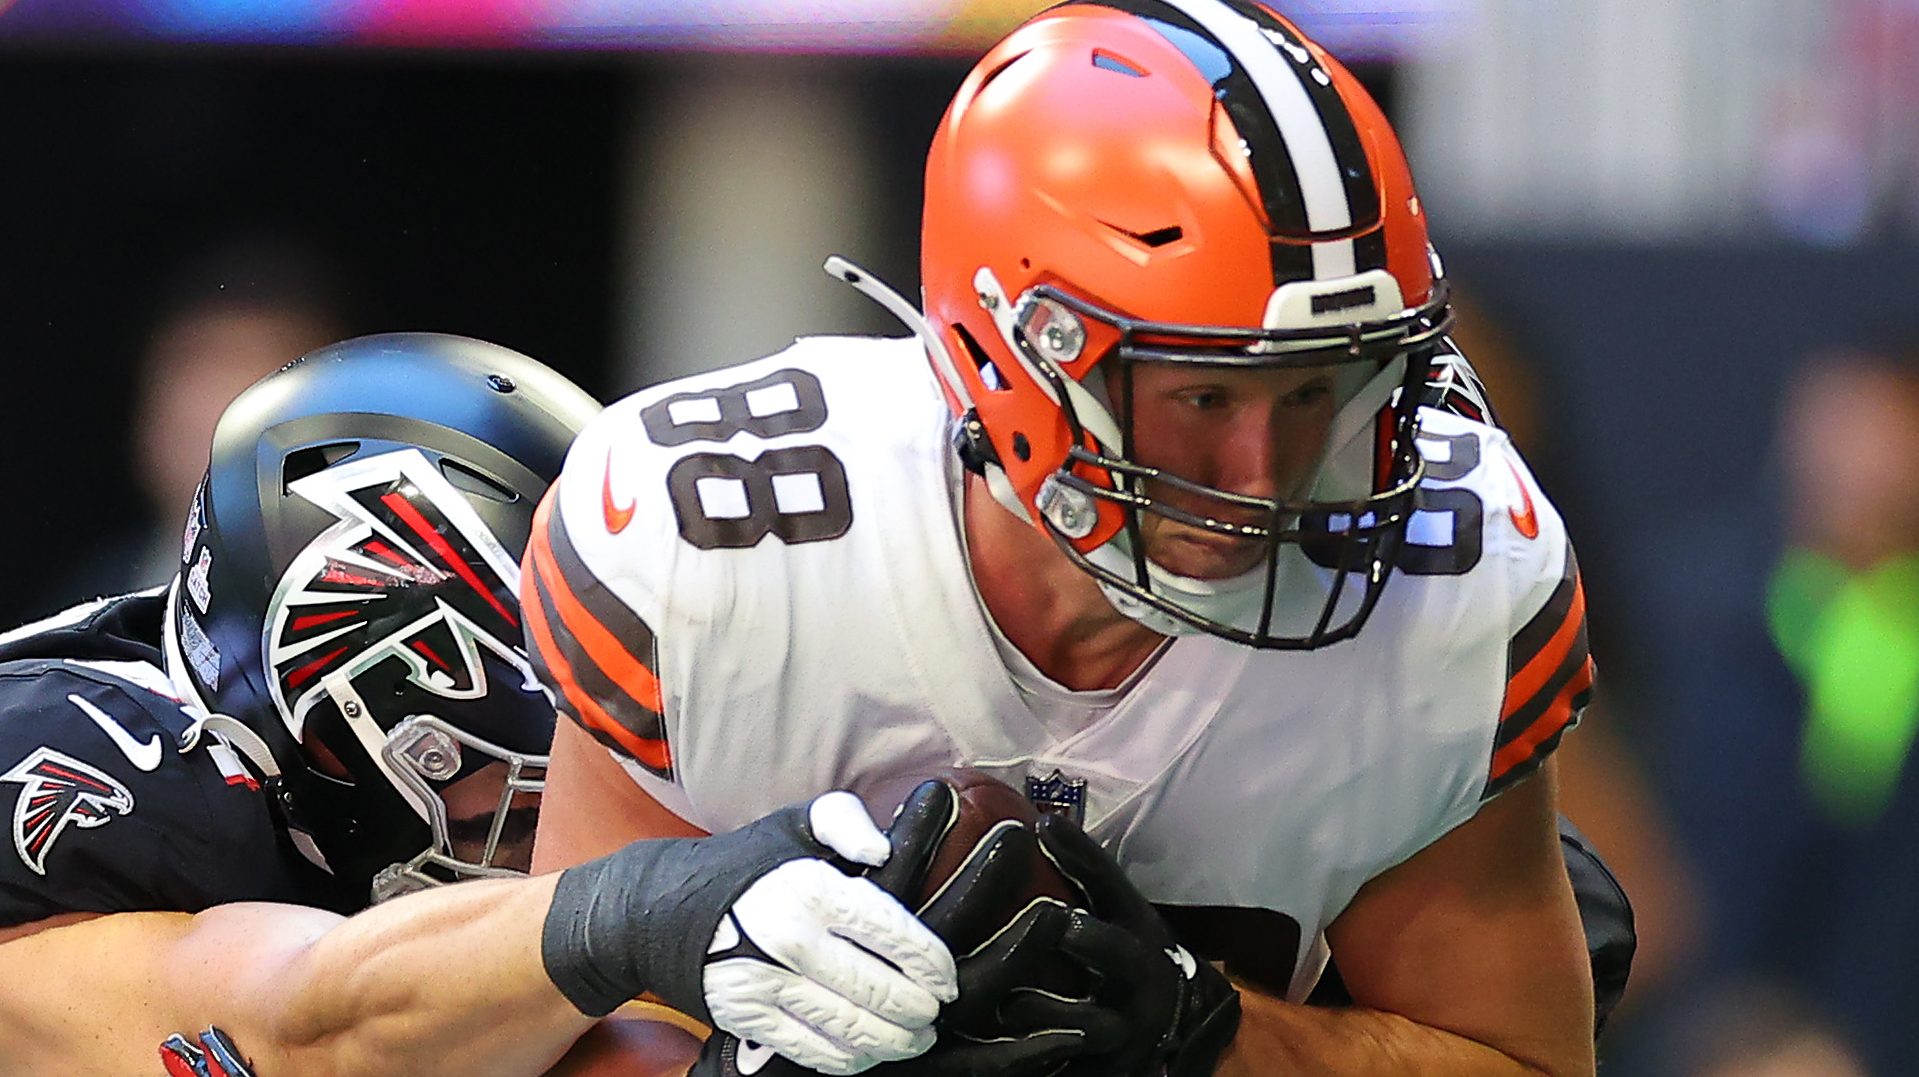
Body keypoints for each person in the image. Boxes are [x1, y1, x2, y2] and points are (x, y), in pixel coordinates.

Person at [526, 2, 1603, 1075]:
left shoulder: (1449, 585)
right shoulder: (719, 558)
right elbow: (554, 1028)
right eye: (1203, 400)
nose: (1265, 478)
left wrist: (1204, 1032)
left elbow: (1517, 1060)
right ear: (1012, 358)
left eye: (1314, 390)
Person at [0, 334, 1009, 1076]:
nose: (575, 829)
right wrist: (633, 915)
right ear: (355, 733)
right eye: (528, 802)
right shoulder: (111, 787)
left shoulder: (284, 800)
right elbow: (306, 1032)